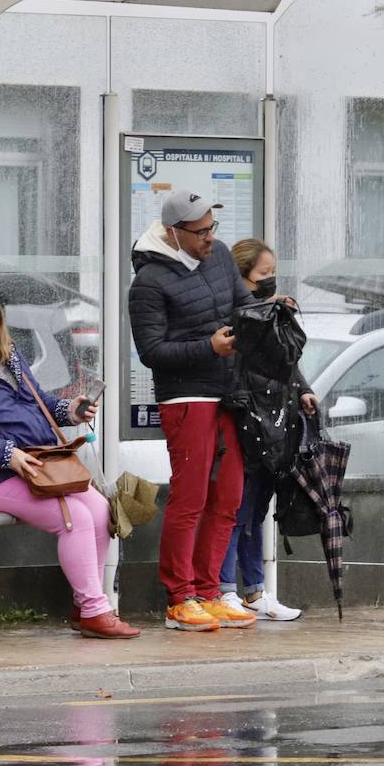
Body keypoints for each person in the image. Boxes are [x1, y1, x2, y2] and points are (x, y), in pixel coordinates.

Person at [0, 291, 140, 640]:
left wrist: (69, 410)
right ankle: (96, 609)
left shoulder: (11, 359)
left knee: (98, 510)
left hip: (36, 464)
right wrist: (8, 455)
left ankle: (86, 607)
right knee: (75, 518)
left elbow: (38, 403)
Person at [128, 188, 259, 632]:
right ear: (173, 232)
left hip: (229, 392)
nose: (209, 238)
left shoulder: (219, 255)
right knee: (191, 497)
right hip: (186, 397)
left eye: (212, 228)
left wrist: (268, 313)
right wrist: (208, 347)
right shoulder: (147, 281)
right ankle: (179, 597)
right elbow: (151, 351)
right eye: (200, 232)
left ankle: (208, 590)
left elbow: (244, 307)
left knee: (229, 495)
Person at [216, 239, 317, 621]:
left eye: (273, 274)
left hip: (273, 420)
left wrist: (303, 390)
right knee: (235, 508)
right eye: (264, 275)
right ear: (243, 277)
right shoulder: (236, 314)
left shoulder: (271, 312)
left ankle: (255, 589)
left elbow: (285, 362)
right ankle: (226, 588)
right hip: (245, 418)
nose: (271, 282)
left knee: (255, 508)